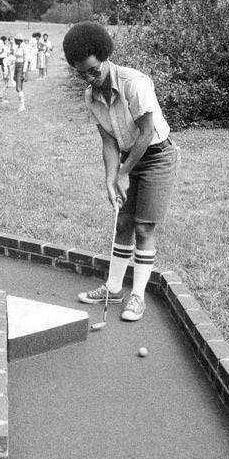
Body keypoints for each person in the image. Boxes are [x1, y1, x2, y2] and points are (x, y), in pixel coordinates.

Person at [63, 21, 180, 323]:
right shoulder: (91, 95)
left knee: (143, 227)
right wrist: (110, 177)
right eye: (82, 74)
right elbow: (108, 140)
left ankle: (137, 297)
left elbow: (146, 132)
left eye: (93, 70)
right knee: (122, 221)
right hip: (128, 156)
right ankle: (114, 288)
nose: (90, 78)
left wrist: (125, 173)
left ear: (104, 58)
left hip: (156, 156)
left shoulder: (134, 82)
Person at [12, 33, 30, 112]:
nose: (15, 41)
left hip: (21, 66)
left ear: (19, 41)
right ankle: (22, 105)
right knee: (19, 86)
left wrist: (24, 71)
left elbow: (26, 60)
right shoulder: (16, 47)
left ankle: (22, 105)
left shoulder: (24, 47)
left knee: (18, 86)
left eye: (16, 40)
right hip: (16, 66)